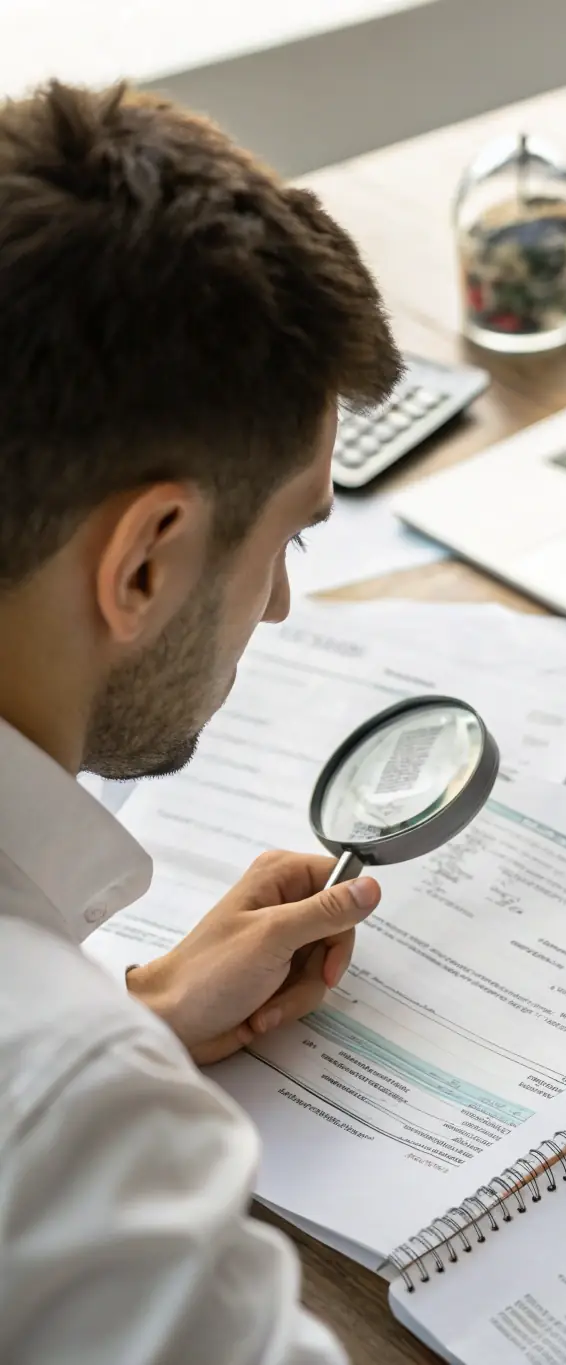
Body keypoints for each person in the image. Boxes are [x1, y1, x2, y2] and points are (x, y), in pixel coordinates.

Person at [0, 80, 403, 1363]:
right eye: (287, 534)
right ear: (145, 562)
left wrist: (126, 1009)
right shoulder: (74, 1122)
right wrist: (80, 1074)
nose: (278, 605)